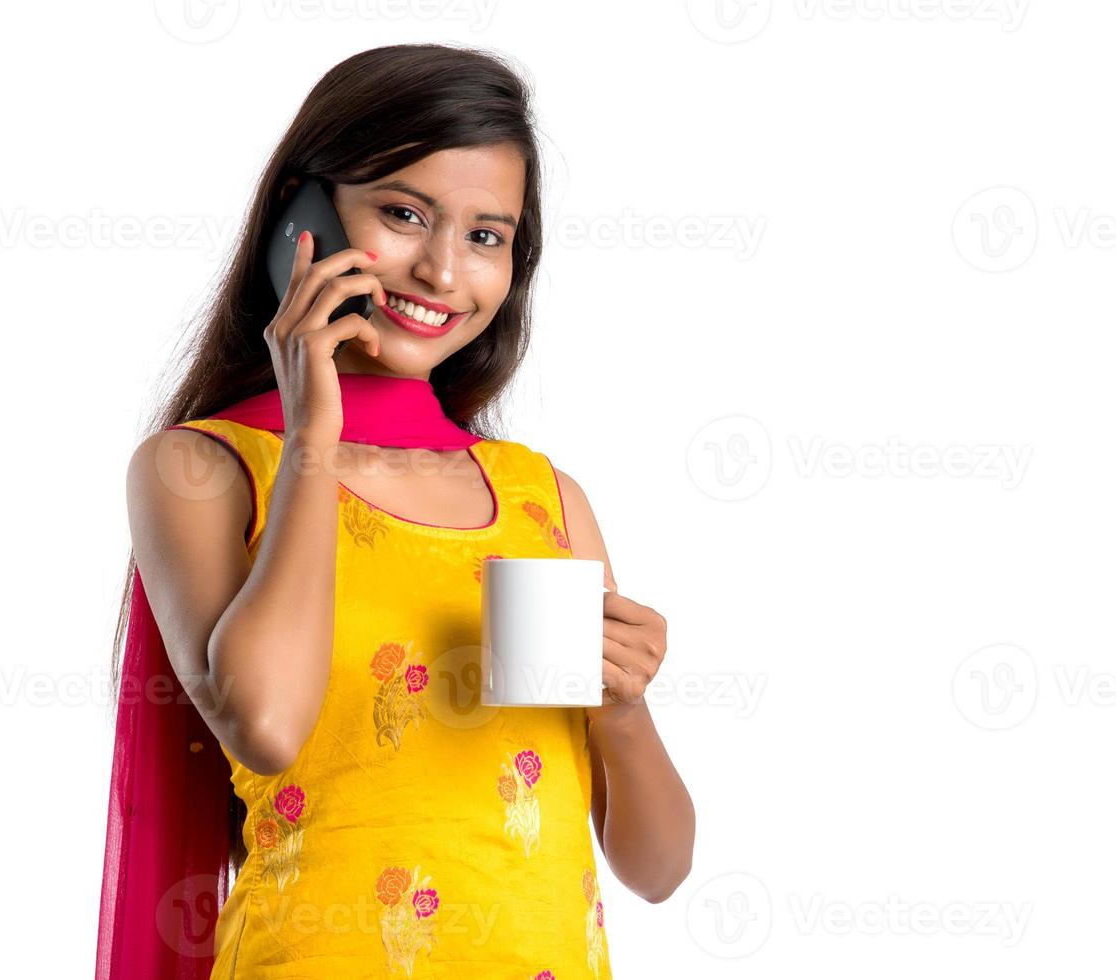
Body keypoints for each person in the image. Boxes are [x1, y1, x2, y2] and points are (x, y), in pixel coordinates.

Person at [96, 43, 695, 980]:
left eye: (487, 236)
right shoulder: (204, 469)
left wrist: (624, 711)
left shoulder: (543, 498)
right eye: (405, 214)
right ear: (304, 215)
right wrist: (311, 438)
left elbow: (656, 872)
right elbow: (265, 723)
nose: (443, 272)